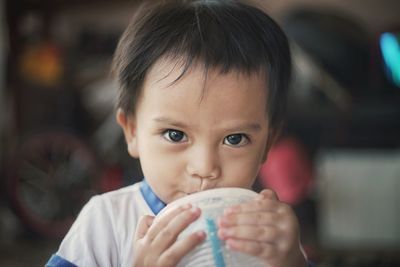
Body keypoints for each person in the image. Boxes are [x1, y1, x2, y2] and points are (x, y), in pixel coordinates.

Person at [46, 1, 312, 266]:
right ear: (132, 131)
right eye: (175, 135)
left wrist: (292, 263)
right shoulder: (107, 223)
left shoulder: (264, 235)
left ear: (268, 142)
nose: (205, 168)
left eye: (234, 139)